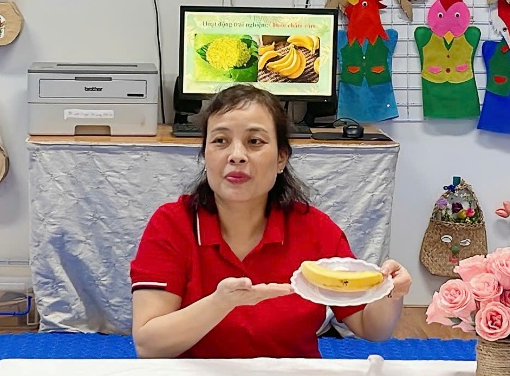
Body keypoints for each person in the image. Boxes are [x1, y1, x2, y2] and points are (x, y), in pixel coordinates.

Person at [131, 84, 410, 359]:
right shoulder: (171, 224)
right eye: (220, 141)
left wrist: (391, 293)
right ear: (205, 154)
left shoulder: (316, 230)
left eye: (254, 142)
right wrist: (222, 303)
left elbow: (371, 328)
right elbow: (149, 345)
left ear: (281, 158)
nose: (236, 155)